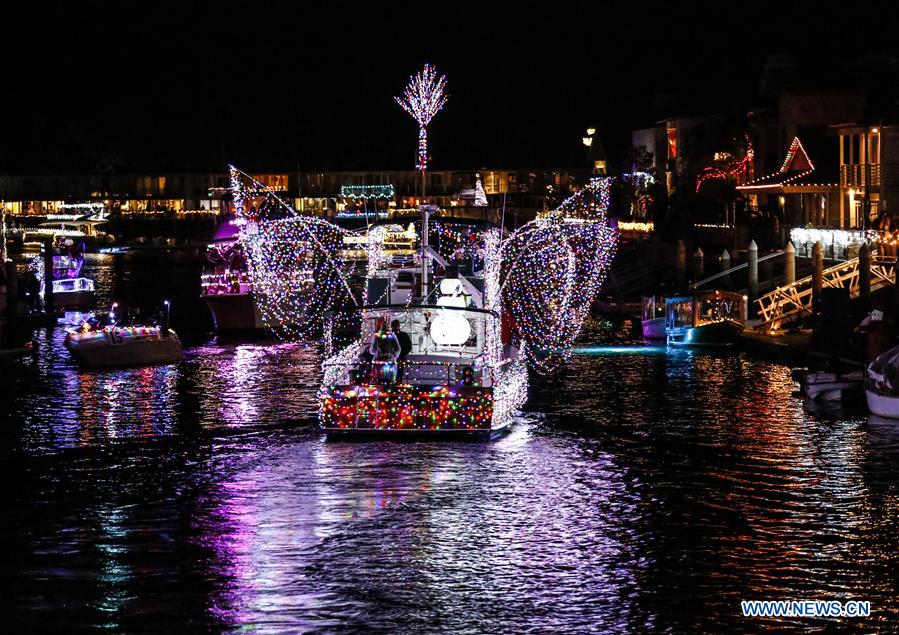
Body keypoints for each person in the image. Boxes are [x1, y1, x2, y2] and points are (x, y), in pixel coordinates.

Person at [368, 318, 400, 383]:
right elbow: (398, 349)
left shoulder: (376, 336)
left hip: (378, 362)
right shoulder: (392, 336)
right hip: (390, 361)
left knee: (378, 380)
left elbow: (372, 350)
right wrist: (393, 356)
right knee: (391, 380)